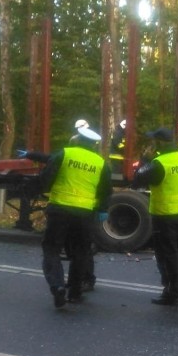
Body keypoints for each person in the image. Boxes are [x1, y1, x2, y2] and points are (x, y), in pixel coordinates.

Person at [37, 126, 112, 307]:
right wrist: (102, 209)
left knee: (52, 249)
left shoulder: (65, 154)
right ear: (93, 145)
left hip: (60, 210)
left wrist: (39, 191)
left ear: (78, 140)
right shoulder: (100, 162)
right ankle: (75, 292)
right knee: (81, 252)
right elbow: (106, 190)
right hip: (85, 213)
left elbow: (47, 177)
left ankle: (57, 286)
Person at [132, 127, 178, 305]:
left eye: (154, 141)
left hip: (165, 214)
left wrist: (144, 158)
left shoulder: (159, 163)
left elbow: (136, 181)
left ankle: (171, 291)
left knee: (168, 254)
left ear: (159, 143)